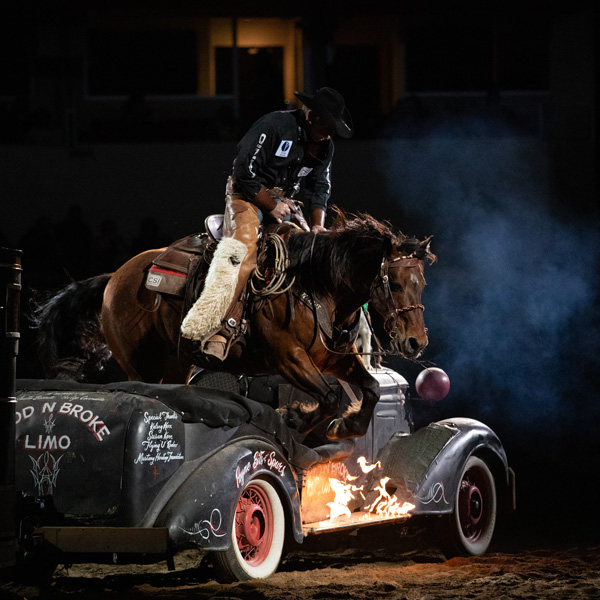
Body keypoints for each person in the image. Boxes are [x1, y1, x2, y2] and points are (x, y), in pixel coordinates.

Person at [181, 87, 353, 361]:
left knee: (311, 254)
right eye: (327, 125)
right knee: (242, 253)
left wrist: (318, 225)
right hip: (246, 196)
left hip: (284, 202)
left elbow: (320, 186)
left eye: (333, 127)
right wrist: (271, 206)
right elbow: (243, 171)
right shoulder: (274, 125)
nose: (330, 133)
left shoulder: (325, 145)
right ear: (311, 117)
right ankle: (221, 329)